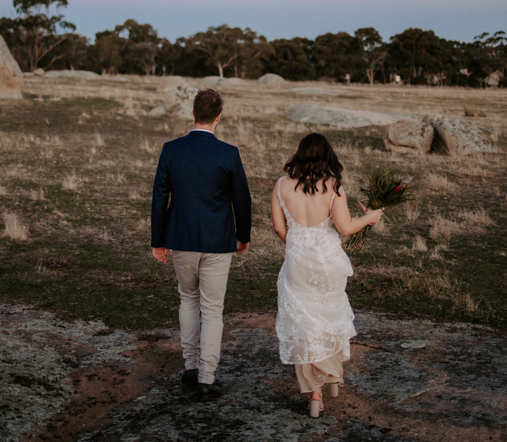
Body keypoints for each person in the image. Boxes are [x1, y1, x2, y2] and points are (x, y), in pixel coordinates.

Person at [271, 132, 383, 418]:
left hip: (298, 261)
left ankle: (315, 393)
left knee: (305, 323)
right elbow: (345, 228)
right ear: (326, 156)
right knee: (329, 316)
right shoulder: (333, 186)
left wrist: (298, 245)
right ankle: (332, 378)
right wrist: (369, 217)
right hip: (328, 262)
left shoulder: (281, 185)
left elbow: (279, 229)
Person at [151, 88, 252, 401]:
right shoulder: (228, 153)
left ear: (192, 113)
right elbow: (242, 199)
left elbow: (159, 197)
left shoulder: (171, 149)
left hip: (180, 238)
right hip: (219, 241)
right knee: (212, 308)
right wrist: (243, 235)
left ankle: (191, 367)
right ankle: (206, 376)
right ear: (218, 117)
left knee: (188, 300)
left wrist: (158, 240)